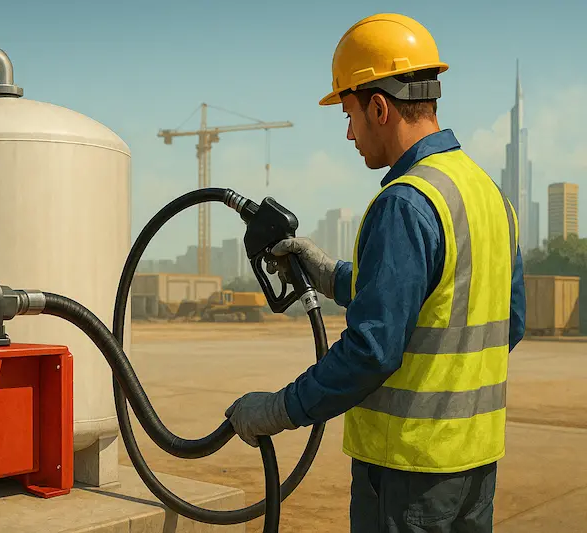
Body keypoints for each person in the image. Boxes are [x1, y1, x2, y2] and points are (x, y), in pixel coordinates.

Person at [224, 13, 526, 533]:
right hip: (475, 471)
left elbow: (372, 350)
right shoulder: (487, 193)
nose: (348, 133)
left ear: (379, 107)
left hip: (408, 473)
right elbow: (503, 320)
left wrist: (278, 410)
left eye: (349, 114)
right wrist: (328, 273)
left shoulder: (404, 203)